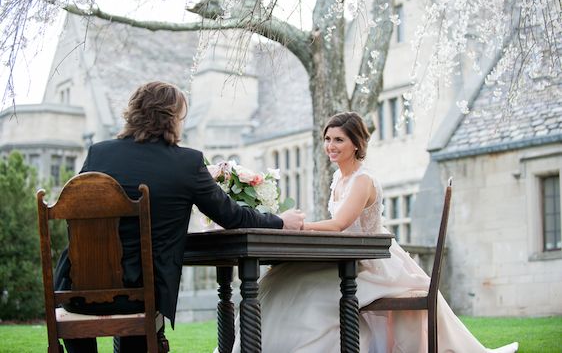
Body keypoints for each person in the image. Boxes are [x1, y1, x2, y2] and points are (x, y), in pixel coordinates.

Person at [226, 112, 518, 352]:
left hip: (372, 264)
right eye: (327, 139)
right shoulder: (339, 179)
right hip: (345, 258)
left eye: (339, 139)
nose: (331, 145)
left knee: (306, 289)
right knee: (276, 279)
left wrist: (297, 225)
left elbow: (339, 225)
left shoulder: (363, 180)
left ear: (356, 143)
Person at [53, 81, 305, 353]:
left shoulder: (98, 153)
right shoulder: (187, 163)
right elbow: (232, 216)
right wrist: (281, 220)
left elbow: (76, 213)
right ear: (171, 118)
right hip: (140, 296)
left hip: (74, 291)